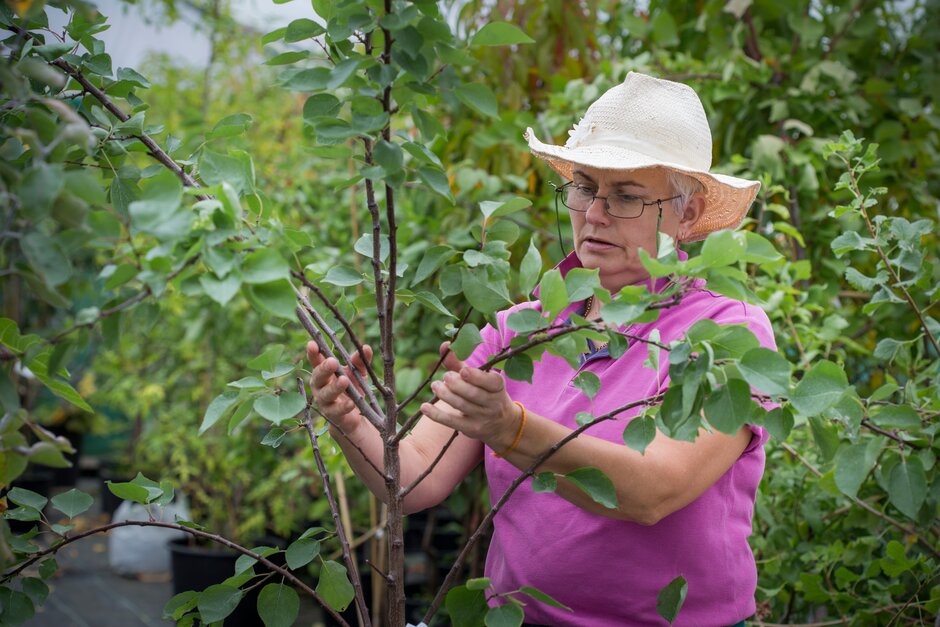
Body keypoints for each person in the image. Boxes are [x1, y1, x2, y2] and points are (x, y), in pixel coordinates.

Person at [307, 72, 776, 626]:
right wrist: (350, 420)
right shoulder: (523, 329)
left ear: (689, 214)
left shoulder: (725, 332)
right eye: (584, 187)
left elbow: (654, 491)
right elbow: (413, 479)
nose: (595, 214)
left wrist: (513, 430)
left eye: (625, 196)